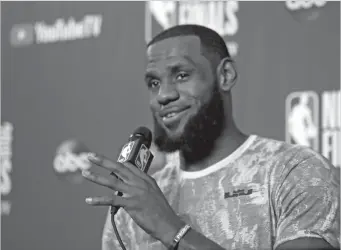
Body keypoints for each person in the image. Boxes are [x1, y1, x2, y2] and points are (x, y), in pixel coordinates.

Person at [82, 25, 340, 250]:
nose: (164, 95)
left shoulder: (294, 171)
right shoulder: (134, 201)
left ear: (225, 75)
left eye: (181, 75)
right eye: (153, 83)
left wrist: (172, 230)